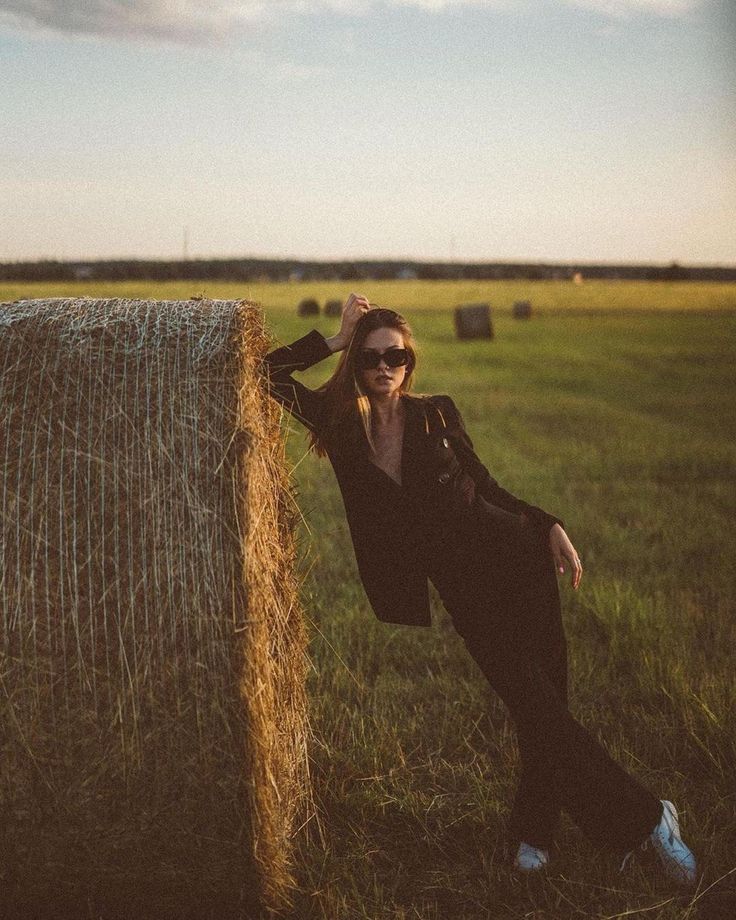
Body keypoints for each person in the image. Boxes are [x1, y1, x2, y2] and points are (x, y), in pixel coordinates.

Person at [260, 292, 697, 886]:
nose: (383, 366)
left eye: (396, 355)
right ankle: (648, 818)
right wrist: (334, 337)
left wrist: (546, 526)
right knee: (533, 704)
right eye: (369, 357)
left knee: (541, 707)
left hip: (516, 560)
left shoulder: (437, 412)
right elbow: (266, 372)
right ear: (355, 364)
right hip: (462, 586)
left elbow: (486, 486)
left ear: (410, 361)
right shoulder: (340, 425)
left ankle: (545, 832)